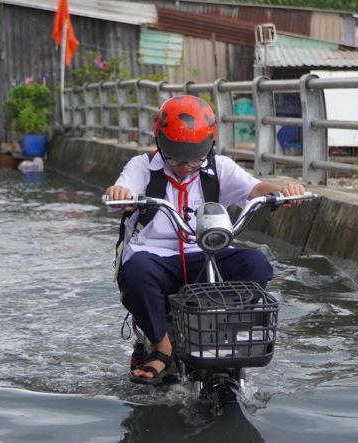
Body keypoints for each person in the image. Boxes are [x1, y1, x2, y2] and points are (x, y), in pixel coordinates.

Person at [105, 95, 306, 385]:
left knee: (256, 265)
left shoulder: (218, 168)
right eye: (175, 157)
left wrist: (283, 192)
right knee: (136, 271)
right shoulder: (142, 166)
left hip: (204, 254)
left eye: (195, 157)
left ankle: (223, 335)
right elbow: (122, 188)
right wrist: (119, 193)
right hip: (155, 257)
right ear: (159, 142)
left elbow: (253, 189)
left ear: (210, 145)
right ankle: (163, 349)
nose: (185, 166)